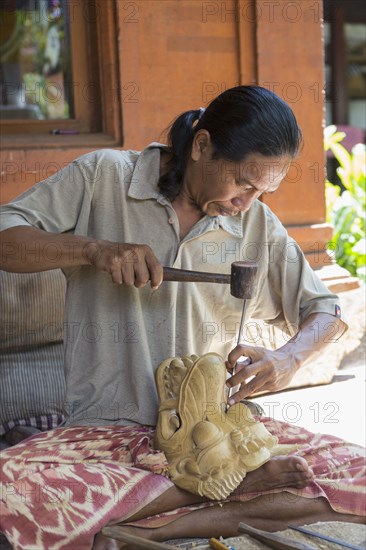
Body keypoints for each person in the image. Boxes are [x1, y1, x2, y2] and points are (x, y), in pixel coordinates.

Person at [0, 86, 363, 549]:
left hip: (217, 434)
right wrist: (93, 249)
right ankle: (214, 492)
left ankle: (160, 518)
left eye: (263, 191)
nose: (247, 203)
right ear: (201, 145)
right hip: (110, 433)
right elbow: (5, 235)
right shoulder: (104, 178)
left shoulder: (254, 224)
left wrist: (289, 359)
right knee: (11, 485)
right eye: (243, 183)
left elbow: (327, 311)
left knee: (355, 472)